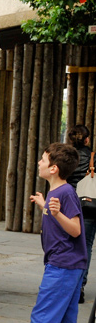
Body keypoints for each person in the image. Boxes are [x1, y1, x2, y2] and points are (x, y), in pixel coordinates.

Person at [0, 143, 87, 323]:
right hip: (69, 265)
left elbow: (76, 229)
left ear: (54, 168)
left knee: (42, 317)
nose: (39, 162)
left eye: (43, 160)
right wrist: (44, 204)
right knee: (66, 322)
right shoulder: (58, 192)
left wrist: (55, 213)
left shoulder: (66, 193)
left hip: (63, 266)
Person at [66, 125, 96, 304]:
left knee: (71, 245)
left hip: (69, 205)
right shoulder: (93, 156)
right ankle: (80, 287)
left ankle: (70, 286)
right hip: (89, 207)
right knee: (86, 245)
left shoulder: (66, 157)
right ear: (87, 139)